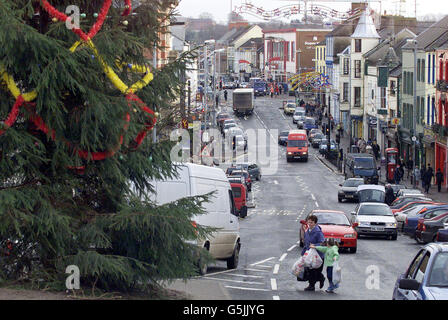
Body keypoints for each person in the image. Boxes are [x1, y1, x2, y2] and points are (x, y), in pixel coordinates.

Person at [301, 215, 325, 291]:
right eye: (309, 222)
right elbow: (306, 243)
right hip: (309, 254)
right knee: (309, 270)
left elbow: (322, 243)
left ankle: (320, 279)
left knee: (316, 271)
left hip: (318, 255)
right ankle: (312, 285)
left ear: (315, 223)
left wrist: (314, 245)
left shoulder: (318, 232)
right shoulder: (307, 231)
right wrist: (303, 253)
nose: (309, 224)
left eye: (311, 222)